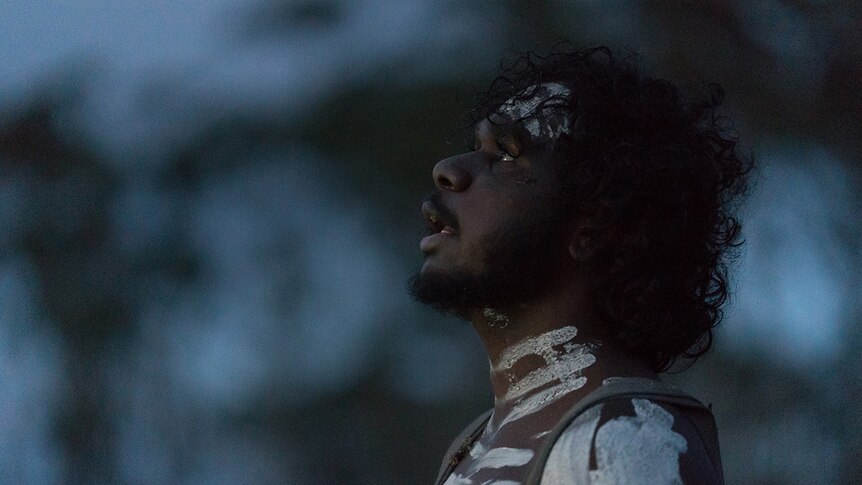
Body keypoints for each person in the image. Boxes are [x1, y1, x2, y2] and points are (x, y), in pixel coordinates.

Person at [409, 45, 751, 484]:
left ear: (591, 226)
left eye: (508, 155)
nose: (448, 169)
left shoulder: (622, 440)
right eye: (475, 147)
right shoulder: (472, 448)